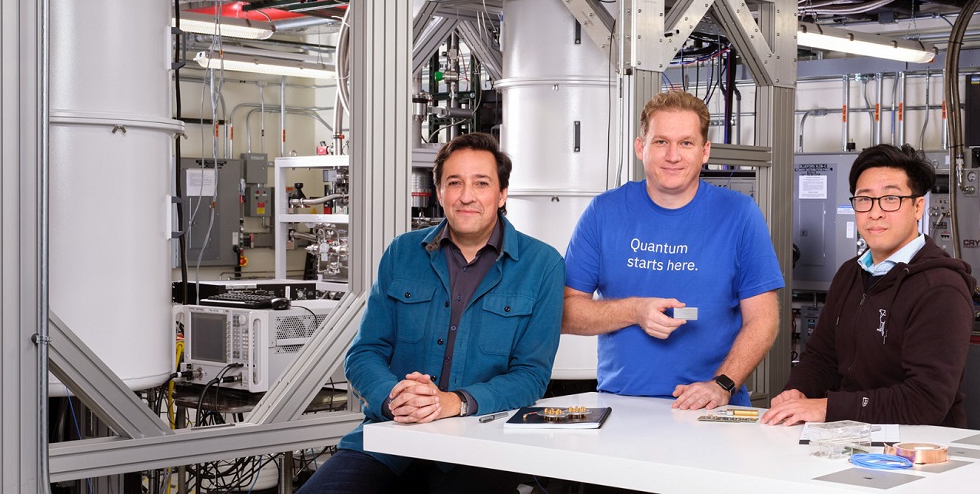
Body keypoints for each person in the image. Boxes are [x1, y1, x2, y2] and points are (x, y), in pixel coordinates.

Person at [301, 132, 565, 493]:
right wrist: (395, 398)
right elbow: (365, 353)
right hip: (391, 439)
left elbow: (530, 376)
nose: (466, 196)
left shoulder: (543, 265)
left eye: (481, 183)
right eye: (454, 183)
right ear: (439, 192)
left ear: (502, 194)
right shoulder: (402, 252)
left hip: (480, 448)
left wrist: (452, 403)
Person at [562, 91, 784, 409]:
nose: (673, 155)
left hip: (714, 407)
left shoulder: (739, 214)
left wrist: (721, 384)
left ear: (705, 151)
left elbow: (763, 319)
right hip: (624, 406)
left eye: (686, 143)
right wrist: (634, 311)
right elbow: (565, 313)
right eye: (661, 142)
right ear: (641, 148)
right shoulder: (604, 212)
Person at [762, 144, 975, 427]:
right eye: (864, 200)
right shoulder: (851, 273)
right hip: (849, 434)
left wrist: (828, 407)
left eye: (890, 199)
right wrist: (797, 392)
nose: (875, 213)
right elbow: (821, 357)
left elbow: (925, 402)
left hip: (914, 448)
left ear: (918, 207)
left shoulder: (940, 288)